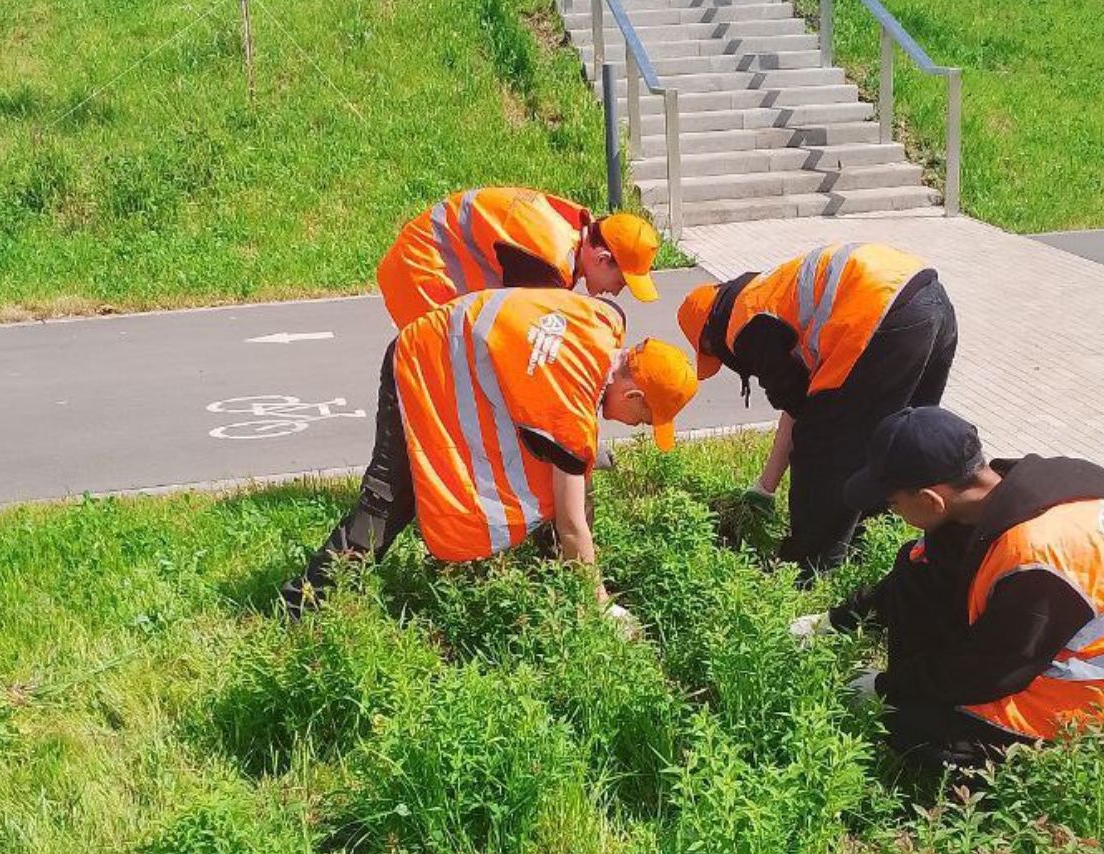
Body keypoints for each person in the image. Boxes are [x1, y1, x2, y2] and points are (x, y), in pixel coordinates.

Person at [789, 407, 1104, 772]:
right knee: (916, 568)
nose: (892, 512)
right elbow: (920, 577)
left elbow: (988, 673)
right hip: (1038, 647)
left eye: (893, 504)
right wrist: (833, 622)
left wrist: (888, 689)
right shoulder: (1000, 497)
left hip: (1094, 701)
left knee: (912, 727)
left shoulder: (1037, 558)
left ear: (929, 499)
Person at [279, 286, 698, 622]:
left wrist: (584, 455)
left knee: (561, 471)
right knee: (391, 496)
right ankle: (304, 603)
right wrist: (600, 606)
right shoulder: (569, 409)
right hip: (421, 362)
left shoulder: (605, 320)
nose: (634, 427)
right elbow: (572, 525)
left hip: (451, 346)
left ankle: (549, 587)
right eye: (641, 418)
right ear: (634, 393)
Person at [676, 242, 957, 580]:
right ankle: (884, 541)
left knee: (823, 448)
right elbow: (801, 404)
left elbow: (805, 419)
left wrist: (776, 489)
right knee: (899, 436)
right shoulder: (767, 291)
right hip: (930, 298)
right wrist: (765, 487)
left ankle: (814, 565)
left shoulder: (744, 326)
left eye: (715, 355)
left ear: (711, 337)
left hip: (880, 313)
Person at [378, 187, 662, 330]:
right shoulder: (551, 260)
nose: (615, 291)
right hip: (423, 271)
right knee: (449, 365)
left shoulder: (574, 224)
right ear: (602, 259)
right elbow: (523, 331)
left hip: (424, 255)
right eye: (621, 282)